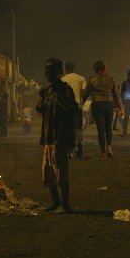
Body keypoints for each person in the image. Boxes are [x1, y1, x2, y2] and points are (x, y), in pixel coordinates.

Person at [37, 58, 79, 213]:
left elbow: (74, 110)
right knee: (48, 171)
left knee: (61, 169)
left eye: (52, 71)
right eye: (47, 71)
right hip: (48, 137)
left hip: (60, 137)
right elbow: (40, 110)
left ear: (60, 73)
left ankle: (66, 205)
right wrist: (42, 97)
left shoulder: (65, 89)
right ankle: (55, 202)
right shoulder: (46, 91)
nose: (49, 74)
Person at [82, 60, 122, 159]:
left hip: (97, 104)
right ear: (105, 68)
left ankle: (103, 152)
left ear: (95, 69)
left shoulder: (92, 79)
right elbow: (116, 94)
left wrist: (81, 103)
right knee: (108, 128)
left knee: (101, 129)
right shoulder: (111, 78)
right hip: (109, 104)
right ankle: (109, 148)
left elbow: (86, 93)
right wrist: (120, 106)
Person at [61, 61, 87, 157]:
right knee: (78, 128)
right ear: (74, 68)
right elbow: (84, 91)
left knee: (68, 128)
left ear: (65, 69)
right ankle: (80, 145)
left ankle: (70, 151)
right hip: (77, 107)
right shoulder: (80, 78)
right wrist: (82, 101)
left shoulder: (62, 79)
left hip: (66, 108)